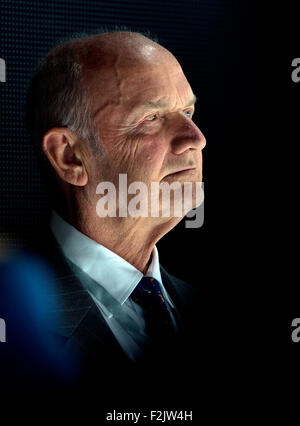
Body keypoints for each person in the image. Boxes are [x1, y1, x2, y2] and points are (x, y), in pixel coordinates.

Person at [25, 30, 206, 393]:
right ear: (70, 156)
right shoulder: (20, 328)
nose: (195, 137)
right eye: (152, 117)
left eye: (187, 111)